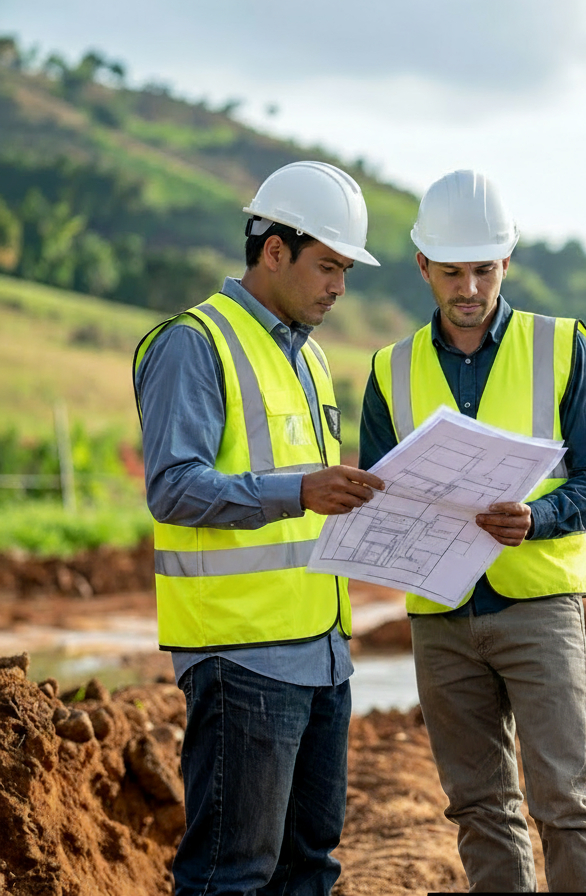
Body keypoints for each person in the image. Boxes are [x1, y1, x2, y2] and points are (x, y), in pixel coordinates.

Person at [359, 169, 586, 892]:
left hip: (538, 609)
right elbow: (383, 494)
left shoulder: (564, 347)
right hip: (440, 618)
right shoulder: (390, 369)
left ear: (506, 262)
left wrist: (538, 518)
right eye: (451, 272)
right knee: (479, 807)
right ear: (423, 268)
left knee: (565, 803)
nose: (468, 288)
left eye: (483, 269)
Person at [133, 160, 386, 895]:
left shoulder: (306, 360)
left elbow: (307, 502)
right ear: (274, 249)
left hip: (321, 653)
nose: (339, 287)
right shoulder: (194, 343)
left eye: (346, 270)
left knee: (309, 867)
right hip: (244, 656)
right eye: (328, 266)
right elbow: (174, 488)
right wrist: (301, 490)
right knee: (230, 875)